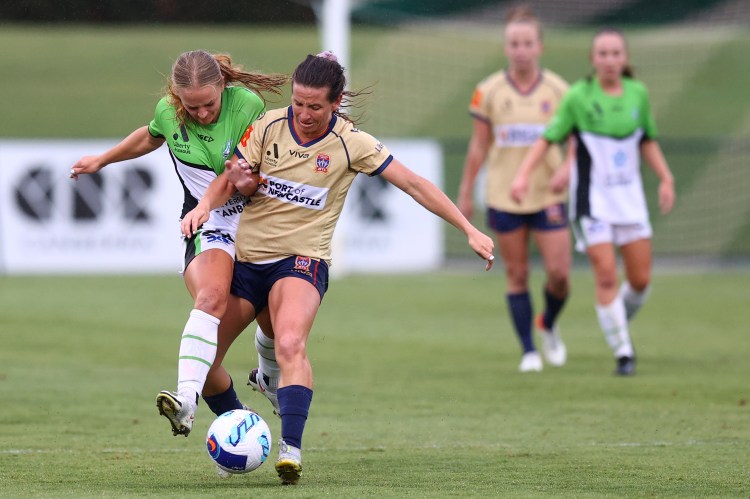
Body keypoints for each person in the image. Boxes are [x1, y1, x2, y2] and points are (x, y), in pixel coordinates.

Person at [181, 51, 496, 485]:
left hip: (302, 261)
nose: (304, 114)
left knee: (290, 341)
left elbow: (414, 183)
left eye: (315, 106)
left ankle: (290, 450)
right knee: (204, 363)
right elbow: (230, 177)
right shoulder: (268, 126)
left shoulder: (352, 143)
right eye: (298, 103)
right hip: (248, 262)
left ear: (336, 102)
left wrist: (468, 229)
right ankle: (242, 425)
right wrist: (205, 206)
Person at [69, 50, 287, 439]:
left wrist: (208, 202)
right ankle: (189, 402)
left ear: (223, 86)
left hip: (257, 220)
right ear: (176, 95)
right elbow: (151, 135)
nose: (200, 114)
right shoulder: (168, 112)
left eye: (208, 105)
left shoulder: (247, 106)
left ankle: (268, 377)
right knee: (210, 300)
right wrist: (102, 160)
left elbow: (240, 174)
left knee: (274, 315)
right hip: (208, 224)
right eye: (191, 106)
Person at [510, 29, 675, 376]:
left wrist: (666, 177)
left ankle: (615, 322)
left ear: (625, 58)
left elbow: (647, 139)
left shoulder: (638, 93)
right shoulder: (578, 96)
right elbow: (548, 138)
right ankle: (624, 353)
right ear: (592, 59)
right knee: (606, 276)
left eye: (616, 53)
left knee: (640, 280)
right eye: (603, 53)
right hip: (592, 204)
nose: (609, 60)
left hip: (630, 201)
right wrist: (523, 175)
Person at [458, 6, 572, 373]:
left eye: (527, 43)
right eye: (514, 44)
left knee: (559, 275)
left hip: (548, 194)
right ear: (506, 47)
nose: (521, 50)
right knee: (517, 274)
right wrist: (465, 190)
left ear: (540, 46)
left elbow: (575, 141)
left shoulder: (559, 90)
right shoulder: (488, 91)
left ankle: (548, 323)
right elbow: (479, 146)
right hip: (505, 195)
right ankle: (529, 351)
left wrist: (567, 167)